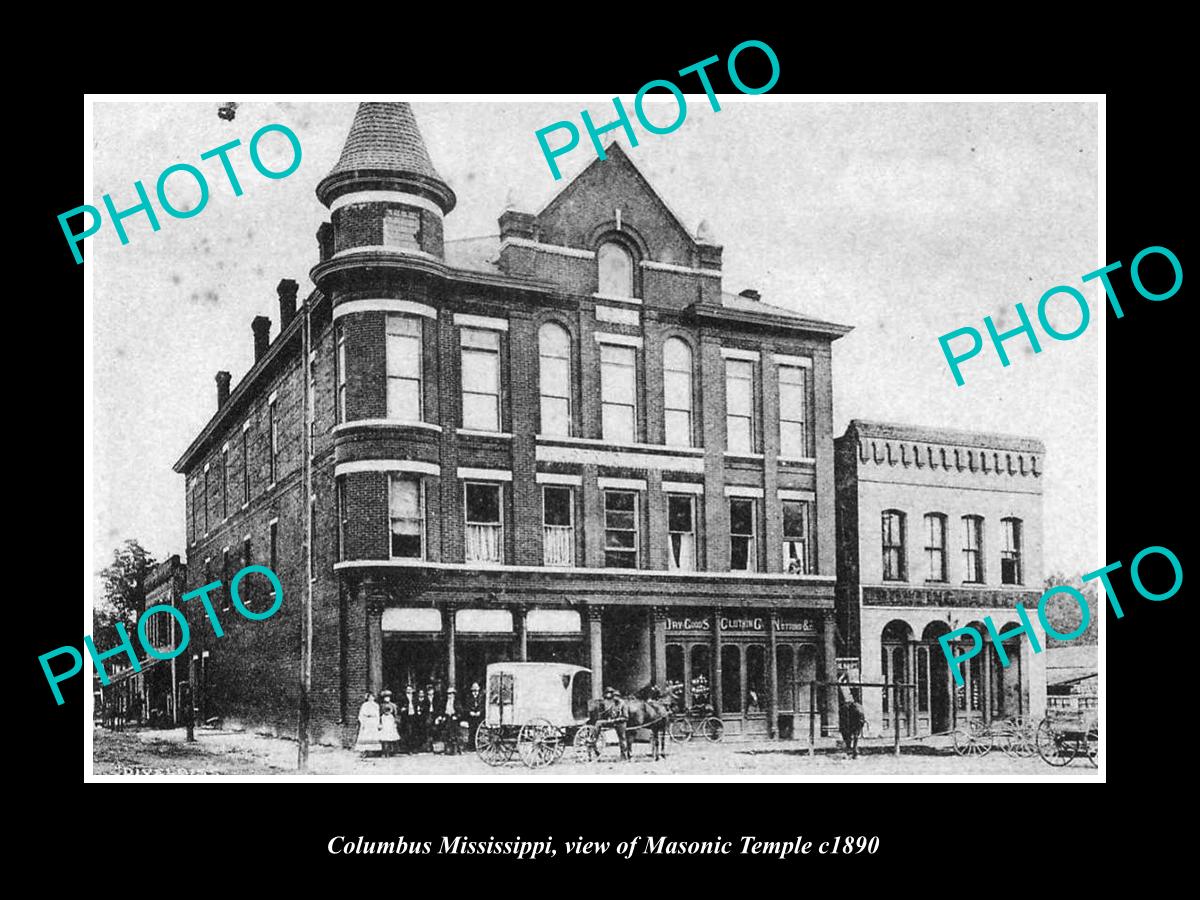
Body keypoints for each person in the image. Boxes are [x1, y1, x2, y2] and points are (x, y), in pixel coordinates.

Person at [355, 691, 382, 757]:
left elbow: (377, 715)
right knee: (365, 735)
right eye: (370, 697)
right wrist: (363, 722)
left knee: (373, 735)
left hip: (373, 721)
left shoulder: (376, 705)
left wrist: (378, 723)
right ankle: (364, 751)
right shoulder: (365, 705)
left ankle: (373, 751)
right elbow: (361, 714)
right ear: (367, 698)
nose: (371, 698)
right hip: (367, 721)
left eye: (372, 697)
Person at [438, 687, 461, 755]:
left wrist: (456, 716)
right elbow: (441, 710)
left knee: (453, 731)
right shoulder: (445, 701)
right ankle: (446, 748)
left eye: (451, 694)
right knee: (445, 731)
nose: (450, 695)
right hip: (447, 717)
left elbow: (460, 711)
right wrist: (442, 716)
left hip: (454, 718)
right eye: (448, 694)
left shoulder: (457, 702)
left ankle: (455, 749)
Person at [378, 690, 400, 757]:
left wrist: (396, 722)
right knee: (384, 736)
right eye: (385, 697)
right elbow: (379, 714)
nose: (387, 698)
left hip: (390, 720)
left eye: (388, 697)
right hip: (384, 720)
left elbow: (396, 714)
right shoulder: (381, 705)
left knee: (391, 736)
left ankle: (391, 751)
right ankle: (384, 751)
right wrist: (379, 723)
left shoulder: (393, 705)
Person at [466, 682, 485, 749]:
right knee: (471, 731)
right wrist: (470, 712)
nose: (475, 693)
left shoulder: (481, 698)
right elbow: (467, 707)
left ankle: (479, 745)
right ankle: (471, 746)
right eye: (473, 691)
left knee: (479, 730)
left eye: (476, 691)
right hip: (471, 717)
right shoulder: (469, 698)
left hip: (479, 717)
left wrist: (480, 712)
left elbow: (483, 706)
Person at [400, 685, 418, 752]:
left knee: (414, 732)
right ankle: (408, 748)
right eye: (407, 689)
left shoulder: (415, 697)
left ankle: (414, 748)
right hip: (406, 716)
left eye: (410, 689)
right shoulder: (402, 697)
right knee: (407, 732)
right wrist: (402, 709)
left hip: (413, 715)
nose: (409, 690)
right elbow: (400, 706)